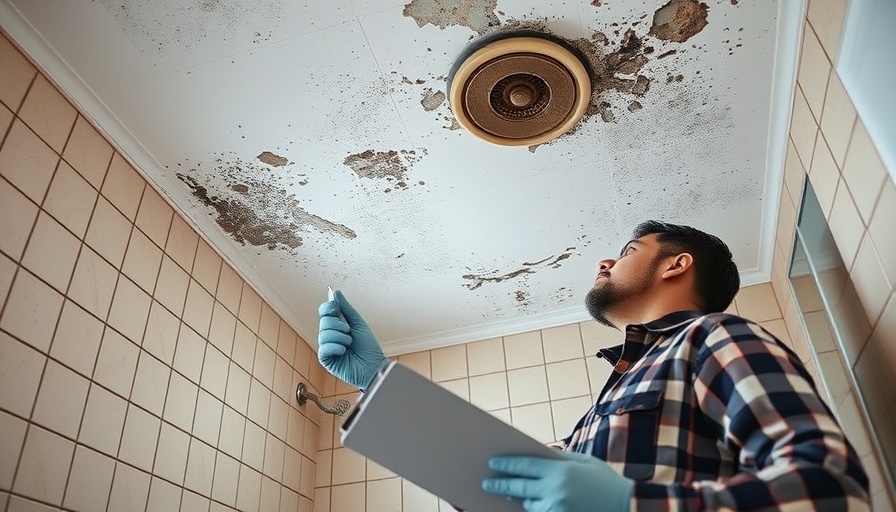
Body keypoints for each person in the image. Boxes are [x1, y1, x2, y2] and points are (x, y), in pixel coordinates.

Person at [318, 220, 870, 511]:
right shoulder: (606, 403)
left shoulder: (713, 337)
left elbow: (832, 490)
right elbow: (501, 488)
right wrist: (380, 386)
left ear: (677, 265)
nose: (606, 260)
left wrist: (634, 505)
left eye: (630, 248)